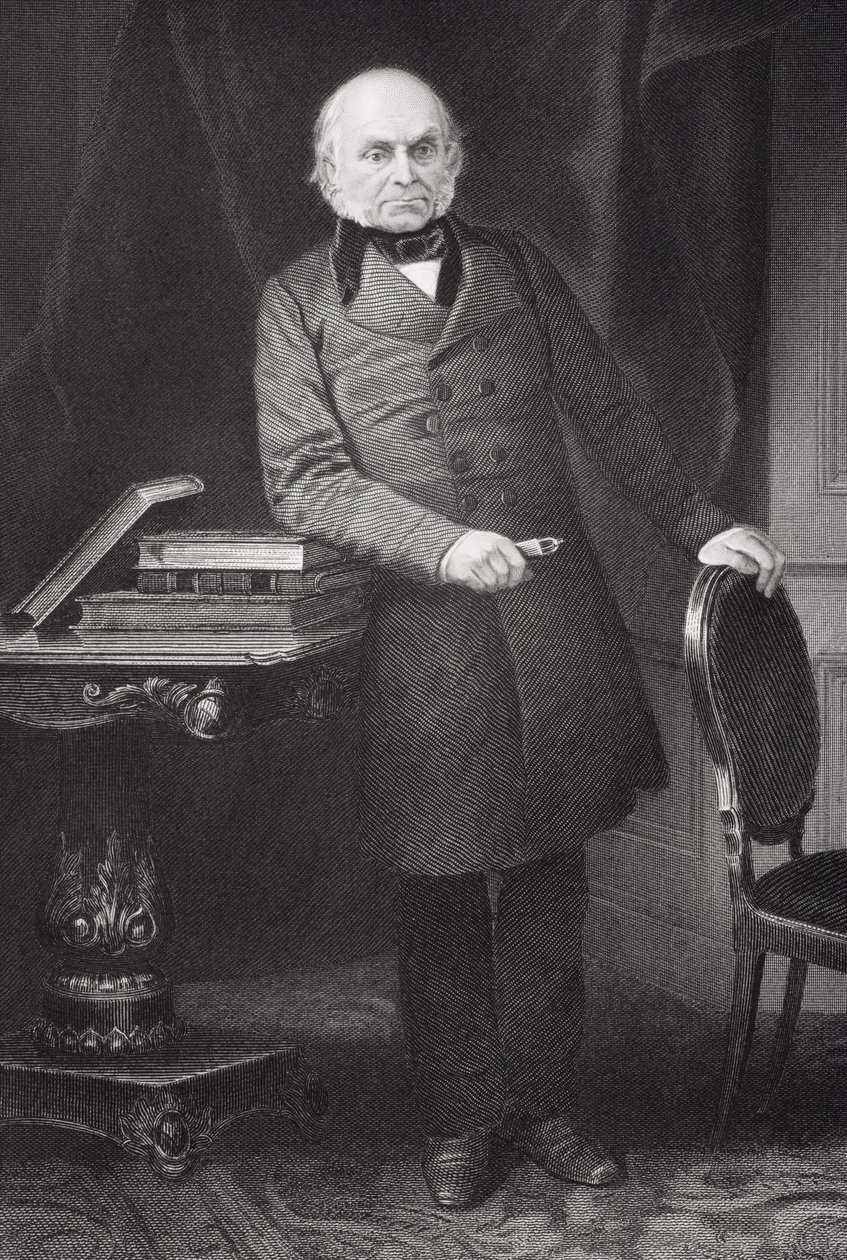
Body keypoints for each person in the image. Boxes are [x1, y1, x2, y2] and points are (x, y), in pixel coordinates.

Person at [254, 66, 785, 1208]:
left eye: (424, 149)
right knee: (441, 884)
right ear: (328, 175)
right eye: (375, 154)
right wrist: (439, 544)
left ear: (455, 161)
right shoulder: (295, 303)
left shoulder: (518, 269)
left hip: (553, 619)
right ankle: (460, 1119)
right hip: (423, 638)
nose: (403, 173)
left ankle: (543, 1106)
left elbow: (609, 410)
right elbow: (303, 479)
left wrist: (703, 526)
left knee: (549, 875)